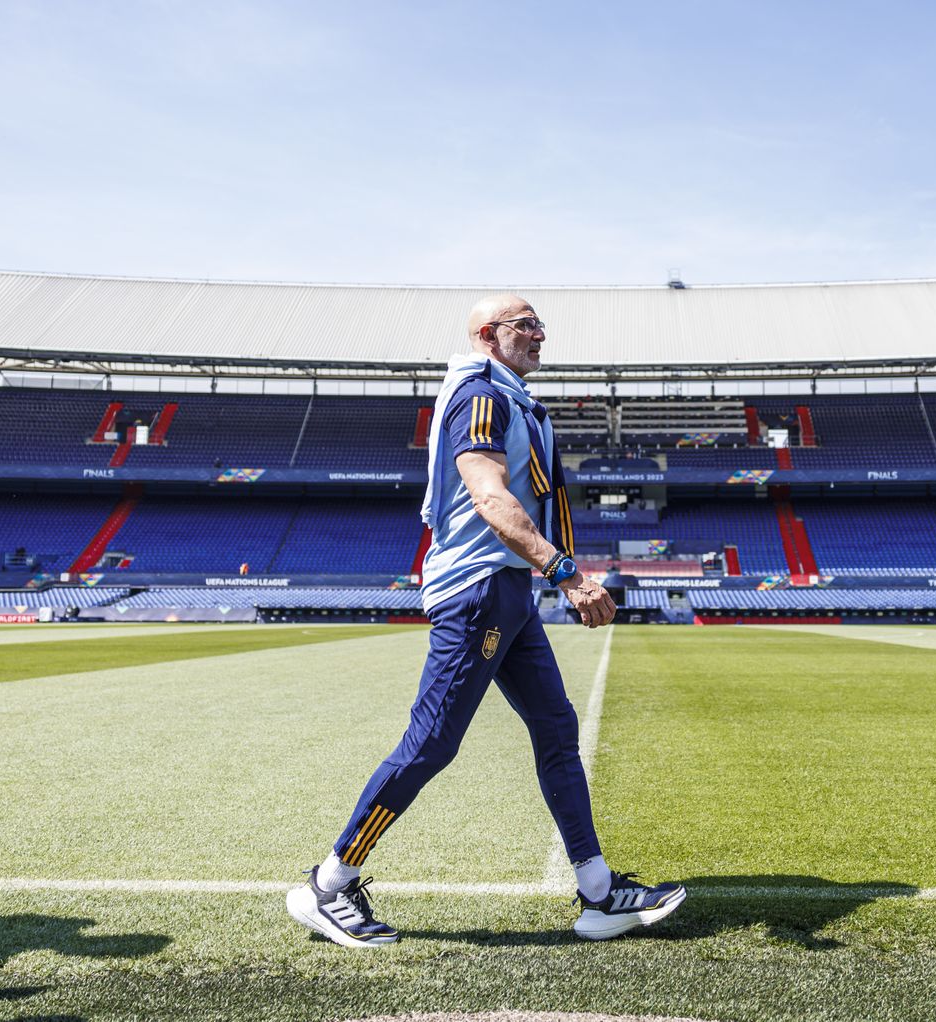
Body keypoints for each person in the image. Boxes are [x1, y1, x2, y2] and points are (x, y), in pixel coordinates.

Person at [286, 294, 685, 947]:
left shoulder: (512, 396)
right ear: (486, 333)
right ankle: (327, 887)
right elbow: (491, 496)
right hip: (476, 590)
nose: (539, 336)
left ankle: (598, 891)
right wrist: (567, 573)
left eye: (540, 326)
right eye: (525, 325)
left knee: (557, 729)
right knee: (432, 743)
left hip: (507, 589)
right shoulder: (481, 395)